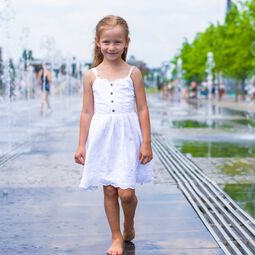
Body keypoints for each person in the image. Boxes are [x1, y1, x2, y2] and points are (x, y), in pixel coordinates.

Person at [74, 15, 153, 255]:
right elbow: (87, 112)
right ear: (97, 42)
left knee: (127, 193)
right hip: (102, 137)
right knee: (109, 189)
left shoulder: (133, 73)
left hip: (128, 137)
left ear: (127, 42)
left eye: (117, 42)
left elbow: (142, 108)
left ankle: (128, 224)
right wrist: (81, 145)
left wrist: (146, 143)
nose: (112, 47)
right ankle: (116, 236)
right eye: (107, 42)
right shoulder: (91, 75)